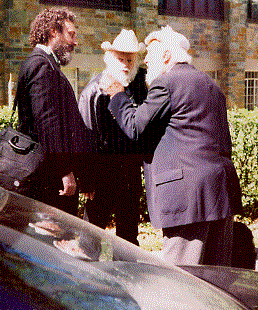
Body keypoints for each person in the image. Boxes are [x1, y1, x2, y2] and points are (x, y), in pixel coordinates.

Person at [103, 25, 243, 266]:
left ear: (167, 56)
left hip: (188, 200)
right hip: (220, 196)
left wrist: (117, 93)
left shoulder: (166, 83)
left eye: (150, 54)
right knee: (215, 280)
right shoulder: (211, 84)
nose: (145, 60)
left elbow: (135, 127)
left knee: (183, 279)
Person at [14, 7, 91, 216]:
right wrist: (65, 171)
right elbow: (48, 126)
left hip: (50, 177)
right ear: (53, 32)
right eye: (71, 34)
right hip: (50, 181)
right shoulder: (41, 65)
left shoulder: (46, 64)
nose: (75, 42)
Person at [76, 29, 148, 245]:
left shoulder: (139, 88)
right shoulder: (94, 91)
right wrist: (87, 180)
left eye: (130, 59)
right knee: (91, 236)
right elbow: (85, 137)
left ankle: (126, 277)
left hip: (129, 176)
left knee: (129, 238)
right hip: (101, 176)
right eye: (120, 59)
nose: (125, 64)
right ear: (110, 59)